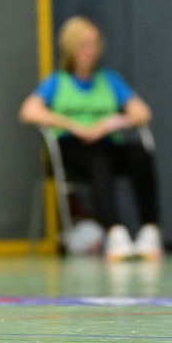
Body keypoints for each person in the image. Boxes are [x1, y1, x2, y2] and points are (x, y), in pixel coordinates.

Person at [19, 16, 162, 263]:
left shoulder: (109, 81)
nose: (91, 51)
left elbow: (142, 112)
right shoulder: (57, 82)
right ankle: (114, 232)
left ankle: (150, 230)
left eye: (95, 44)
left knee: (139, 154)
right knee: (97, 159)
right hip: (73, 149)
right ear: (72, 47)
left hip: (107, 144)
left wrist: (112, 123)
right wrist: (74, 126)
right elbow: (29, 111)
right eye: (85, 44)